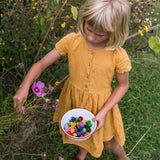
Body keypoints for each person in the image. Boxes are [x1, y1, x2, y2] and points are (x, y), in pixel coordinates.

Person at [13, 0, 132, 159]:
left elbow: (123, 85)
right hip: (74, 98)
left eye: (99, 34)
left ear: (115, 32)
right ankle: (82, 153)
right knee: (77, 131)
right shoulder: (72, 41)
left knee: (109, 142)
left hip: (102, 104)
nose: (90, 36)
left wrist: (103, 112)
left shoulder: (118, 55)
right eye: (88, 29)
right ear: (83, 20)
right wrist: (24, 85)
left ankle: (123, 156)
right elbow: (41, 64)